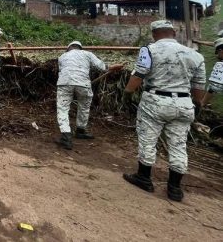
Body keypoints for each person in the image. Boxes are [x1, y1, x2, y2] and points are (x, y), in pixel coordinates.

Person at [122, 20, 206, 202]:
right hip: (184, 104)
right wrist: (197, 104)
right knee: (178, 144)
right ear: (173, 33)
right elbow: (199, 88)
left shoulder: (149, 50)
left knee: (148, 139)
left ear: (154, 34)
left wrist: (127, 93)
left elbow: (139, 75)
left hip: (155, 101)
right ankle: (174, 188)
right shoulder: (196, 55)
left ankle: (144, 177)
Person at [56, 41, 124, 150]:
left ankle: (66, 137)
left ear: (68, 48)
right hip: (83, 84)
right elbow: (102, 67)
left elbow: (62, 71)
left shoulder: (62, 56)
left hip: (65, 83)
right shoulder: (87, 54)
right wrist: (113, 67)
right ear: (80, 48)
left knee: (63, 109)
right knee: (84, 107)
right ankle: (80, 130)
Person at [201, 38, 223, 106]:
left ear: (220, 51)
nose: (217, 56)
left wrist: (202, 103)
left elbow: (214, 88)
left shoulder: (221, 65)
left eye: (217, 53)